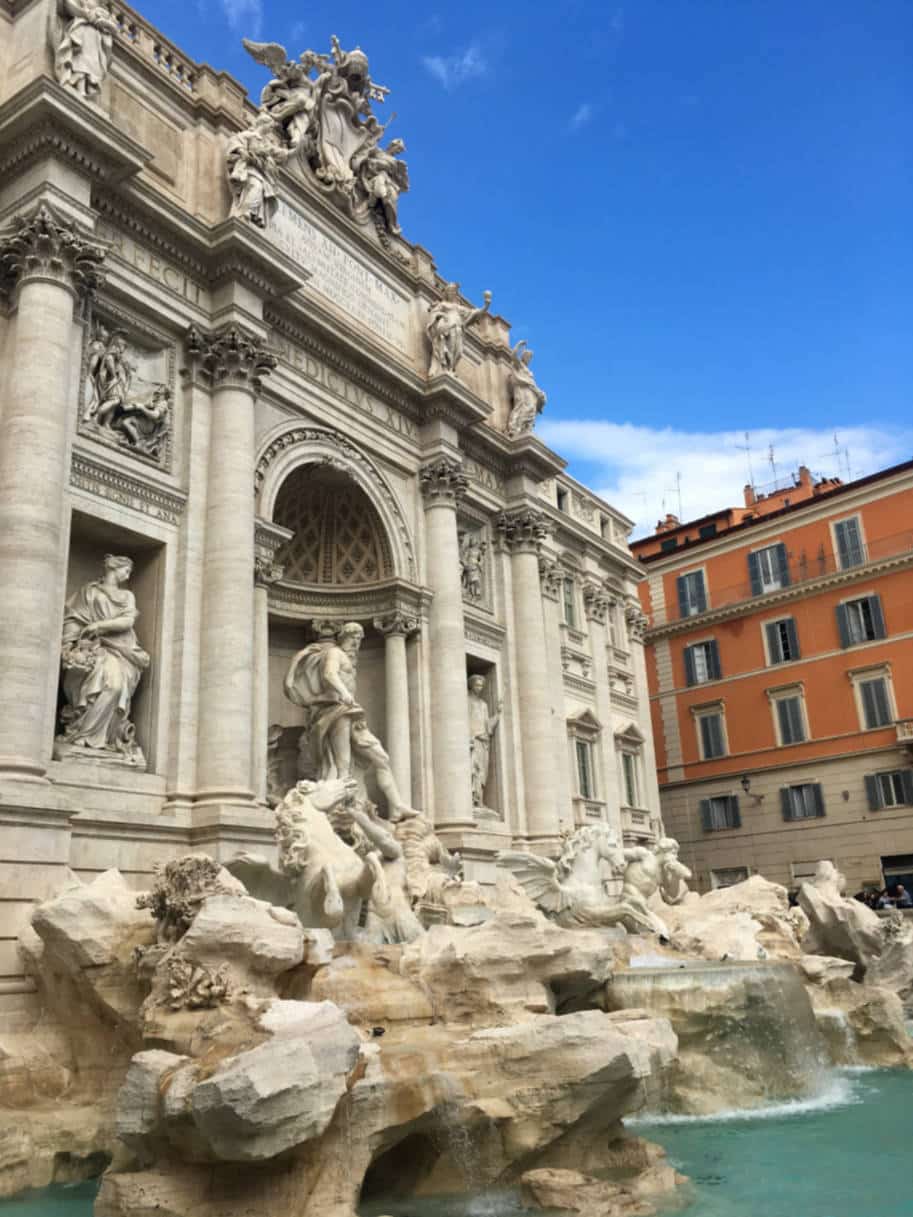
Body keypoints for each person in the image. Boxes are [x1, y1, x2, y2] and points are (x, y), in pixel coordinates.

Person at [284, 622, 416, 821]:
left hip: (351, 712)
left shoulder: (348, 658)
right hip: (337, 711)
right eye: (354, 638)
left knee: (381, 757)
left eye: (359, 640)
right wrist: (345, 694)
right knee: (342, 765)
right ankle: (342, 813)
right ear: (344, 637)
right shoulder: (335, 653)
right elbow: (329, 674)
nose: (357, 643)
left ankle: (397, 806)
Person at [56, 555, 150, 763]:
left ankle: (104, 738)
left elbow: (127, 621)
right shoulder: (89, 592)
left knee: (116, 687)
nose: (127, 576)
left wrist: (99, 626)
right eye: (125, 571)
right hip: (94, 646)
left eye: (129, 573)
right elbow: (74, 617)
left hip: (121, 647)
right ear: (114, 568)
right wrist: (72, 644)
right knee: (99, 684)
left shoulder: (127, 596)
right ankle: (82, 735)